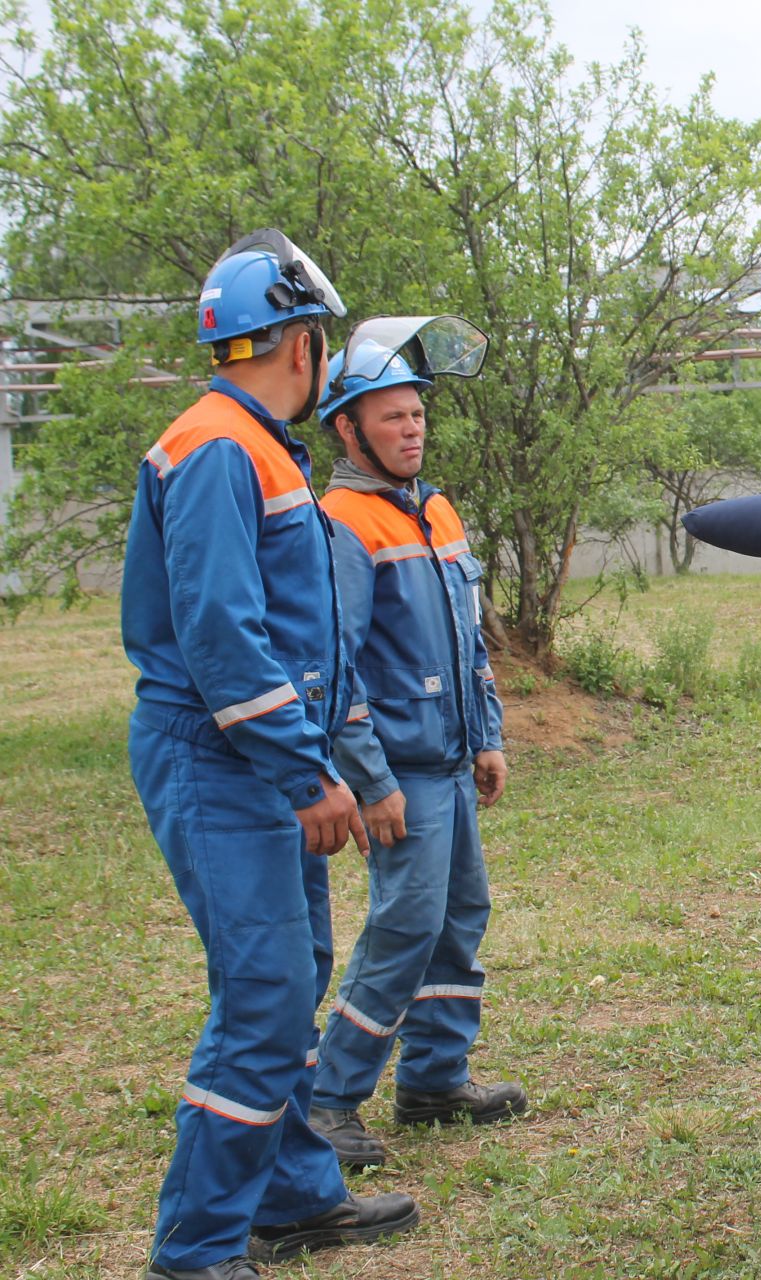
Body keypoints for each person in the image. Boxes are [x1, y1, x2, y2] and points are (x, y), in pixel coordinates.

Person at [124, 230, 418, 1280]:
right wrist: (304, 771)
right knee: (260, 994)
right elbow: (219, 635)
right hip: (221, 756)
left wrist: (311, 754)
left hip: (259, 750)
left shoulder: (252, 440)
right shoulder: (218, 446)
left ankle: (292, 1191)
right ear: (299, 340)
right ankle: (196, 1249)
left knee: (292, 974)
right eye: (323, 345)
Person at [304, 317, 525, 1170]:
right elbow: (333, 665)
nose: (411, 429)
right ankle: (330, 1101)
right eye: (391, 417)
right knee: (403, 925)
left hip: (451, 762)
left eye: (418, 415)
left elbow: (468, 641)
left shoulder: (434, 510)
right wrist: (369, 780)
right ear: (347, 428)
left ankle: (434, 1078)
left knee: (459, 915)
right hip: (399, 773)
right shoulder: (341, 524)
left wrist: (490, 736)